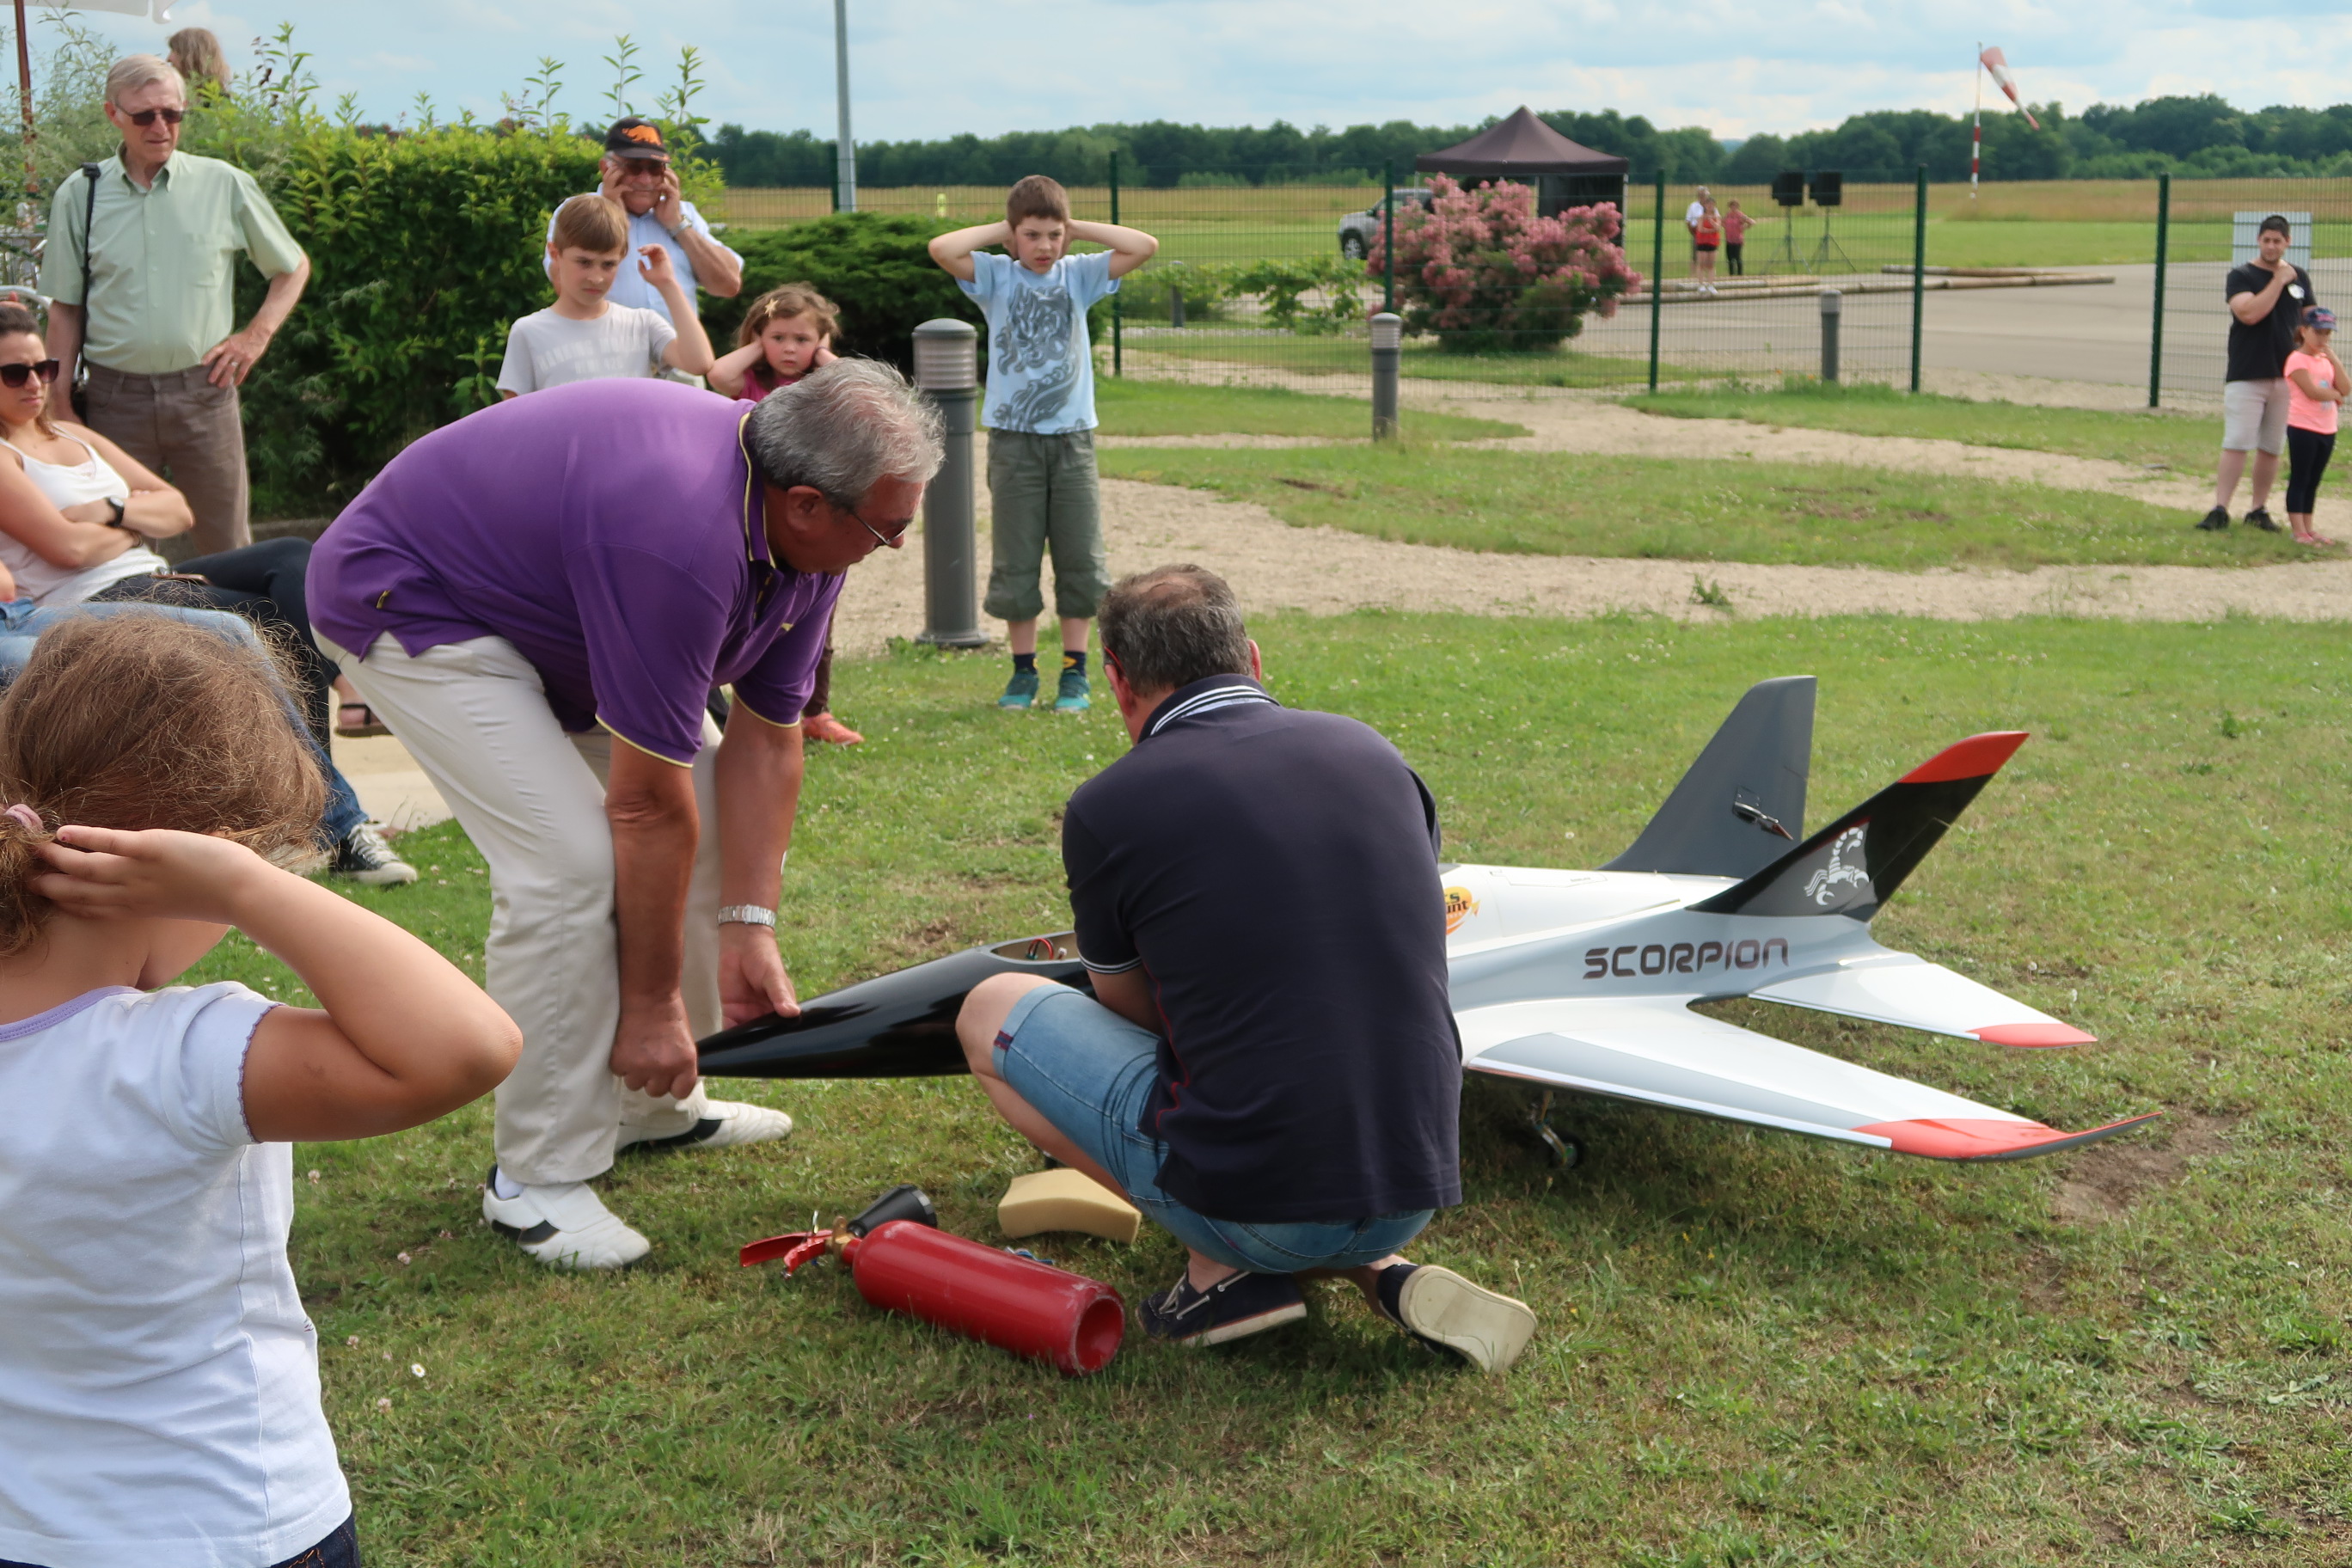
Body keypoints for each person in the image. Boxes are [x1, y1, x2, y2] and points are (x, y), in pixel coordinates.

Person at [307, 364, 943, 1270]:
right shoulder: (679, 533)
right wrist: (646, 1005)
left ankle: (658, 1104)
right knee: (566, 864)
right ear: (806, 505)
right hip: (415, 601)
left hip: (553, 615)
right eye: (890, 531)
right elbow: (643, 807)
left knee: (711, 820)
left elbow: (767, 740)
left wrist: (749, 924)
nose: (894, 546)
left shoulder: (800, 521)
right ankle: (536, 1178)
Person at [0, 613, 519, 1568]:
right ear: (177, 867)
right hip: (227, 1524)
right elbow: (470, 1047)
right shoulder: (177, 1056)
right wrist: (252, 890)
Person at [953, 565, 1537, 1372]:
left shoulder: (1109, 805)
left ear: (1117, 682)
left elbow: (1127, 1001)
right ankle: (1375, 1270)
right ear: (1253, 660)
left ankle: (1223, 1263)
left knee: (988, 1010)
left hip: (1254, 1197)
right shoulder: (1376, 753)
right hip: (1413, 1186)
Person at [0, 303, 411, 886]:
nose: (36, 383)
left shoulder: (77, 435)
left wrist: (108, 510)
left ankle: (341, 723)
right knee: (261, 623)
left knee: (293, 558)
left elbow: (177, 507)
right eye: (14, 373)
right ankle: (333, 822)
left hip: (153, 573)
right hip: (92, 594)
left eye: (44, 367)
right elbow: (65, 550)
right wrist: (136, 520)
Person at [40, 54, 310, 559]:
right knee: (119, 552)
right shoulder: (82, 195)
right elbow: (65, 309)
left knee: (227, 546)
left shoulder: (223, 184)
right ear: (113, 115)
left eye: (172, 113)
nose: (160, 127)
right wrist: (57, 405)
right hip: (113, 400)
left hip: (203, 392)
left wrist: (257, 335)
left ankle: (244, 639)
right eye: (144, 115)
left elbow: (291, 267)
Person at [928, 175, 1157, 714]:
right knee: (1017, 557)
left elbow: (1143, 246)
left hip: (1073, 440)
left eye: (1054, 235)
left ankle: (1075, 673)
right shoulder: (995, 277)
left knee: (1080, 557)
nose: (1044, 246)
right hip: (1014, 441)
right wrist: (1006, 231)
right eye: (1032, 235)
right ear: (1013, 237)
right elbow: (942, 249)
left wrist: (1074, 227)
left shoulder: (1080, 276)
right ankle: (1023, 673)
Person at [709, 284, 862, 746]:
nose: (789, 348)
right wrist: (756, 343)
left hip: (809, 519)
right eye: (778, 338)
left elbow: (858, 386)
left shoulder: (823, 386)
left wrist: (824, 357)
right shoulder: (751, 383)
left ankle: (816, 712)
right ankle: (750, 710)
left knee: (815, 619)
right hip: (751, 515)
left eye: (802, 339)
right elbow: (717, 374)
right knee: (748, 611)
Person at [499, 194, 715, 397]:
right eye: (584, 262)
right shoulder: (528, 331)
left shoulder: (642, 324)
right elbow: (514, 417)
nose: (596, 278)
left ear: (621, 259)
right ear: (556, 254)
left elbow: (700, 363)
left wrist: (668, 284)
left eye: (608, 264)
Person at [543, 118, 743, 330]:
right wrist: (614, 221)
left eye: (655, 168)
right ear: (606, 168)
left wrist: (678, 225)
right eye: (634, 168)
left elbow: (728, 285)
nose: (645, 180)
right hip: (606, 354)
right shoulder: (578, 210)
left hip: (678, 358)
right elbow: (564, 288)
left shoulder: (683, 213)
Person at [2202, 214, 2316, 534]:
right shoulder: (2241, 276)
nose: (2271, 245)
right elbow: (2249, 313)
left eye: (2277, 241)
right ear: (2258, 240)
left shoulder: (2300, 277)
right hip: (2248, 372)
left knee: (2271, 446)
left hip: (2286, 376)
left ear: (2288, 242)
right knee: (2238, 440)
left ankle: (2258, 508)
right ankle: (2220, 507)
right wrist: (2278, 281)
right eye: (2266, 240)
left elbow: (2310, 323)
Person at [2284, 306, 2344, 547]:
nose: (2323, 338)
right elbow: (2313, 392)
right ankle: (2298, 530)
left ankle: (2309, 527)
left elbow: (2346, 388)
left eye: (2327, 334)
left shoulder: (2325, 360)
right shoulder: (2297, 360)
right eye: (2318, 332)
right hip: (2303, 427)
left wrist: (2335, 359)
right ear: (2304, 331)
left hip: (2326, 428)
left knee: (2314, 479)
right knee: (2300, 477)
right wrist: (2334, 393)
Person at [165, 27, 230, 101]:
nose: (168, 59)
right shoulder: (170, 97)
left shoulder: (219, 104)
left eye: (174, 50)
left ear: (191, 57)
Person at [1692, 199, 1722, 296]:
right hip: (1702, 242)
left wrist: (1710, 221)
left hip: (1713, 242)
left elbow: (1718, 227)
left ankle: (1711, 284)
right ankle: (1701, 285)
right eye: (1708, 204)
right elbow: (1700, 229)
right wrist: (1711, 230)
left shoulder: (1717, 216)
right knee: (1701, 263)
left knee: (1711, 264)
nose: (1710, 206)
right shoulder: (1701, 217)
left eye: (1712, 204)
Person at [1722, 198, 1754, 277]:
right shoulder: (1728, 215)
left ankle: (1740, 274)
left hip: (1738, 240)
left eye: (1735, 206)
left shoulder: (1740, 215)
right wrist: (1726, 228)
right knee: (1730, 258)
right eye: (1732, 206)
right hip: (1729, 239)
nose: (1733, 207)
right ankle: (1731, 274)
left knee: (1738, 258)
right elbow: (1722, 222)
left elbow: (1752, 222)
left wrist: (1744, 227)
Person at [1684, 186, 1711, 263]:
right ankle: (1695, 273)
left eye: (1704, 195)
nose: (1702, 197)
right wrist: (1692, 232)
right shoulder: (1693, 206)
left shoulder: (1711, 206)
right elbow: (1688, 220)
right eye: (1700, 195)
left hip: (1709, 232)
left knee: (1709, 255)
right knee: (1696, 255)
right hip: (1697, 231)